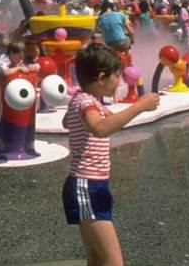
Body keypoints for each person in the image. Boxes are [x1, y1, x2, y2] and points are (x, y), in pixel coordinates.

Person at [62, 44, 160, 266]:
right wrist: (138, 107)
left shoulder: (83, 100)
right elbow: (99, 129)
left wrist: (96, 113)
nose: (120, 81)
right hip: (87, 185)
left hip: (89, 184)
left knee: (97, 258)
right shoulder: (86, 102)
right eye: (117, 76)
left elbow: (67, 121)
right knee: (113, 262)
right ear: (101, 77)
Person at [0, 40, 40, 113]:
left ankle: (3, 106)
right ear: (11, 53)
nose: (20, 60)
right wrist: (18, 68)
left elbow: (27, 67)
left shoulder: (18, 60)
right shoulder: (4, 59)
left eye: (22, 57)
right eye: (18, 57)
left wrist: (32, 67)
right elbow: (5, 73)